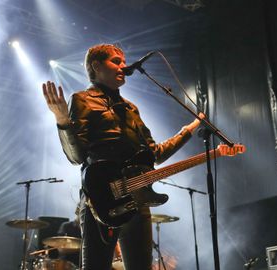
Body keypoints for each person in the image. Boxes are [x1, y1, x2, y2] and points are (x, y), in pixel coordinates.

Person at [42, 44, 203, 269]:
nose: (123, 66)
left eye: (124, 61)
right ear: (96, 66)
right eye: (116, 61)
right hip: (100, 201)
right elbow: (76, 156)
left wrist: (190, 129)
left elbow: (155, 154)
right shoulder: (82, 100)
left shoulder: (130, 109)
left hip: (137, 198)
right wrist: (62, 120)